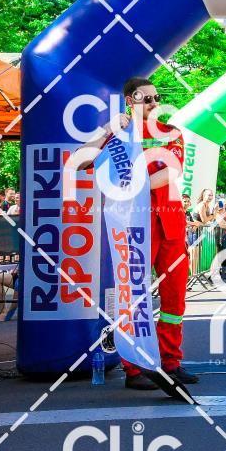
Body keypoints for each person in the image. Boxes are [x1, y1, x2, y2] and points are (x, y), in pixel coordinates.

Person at [76, 77, 198, 391]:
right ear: (130, 101)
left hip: (170, 224)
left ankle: (170, 363)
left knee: (174, 300)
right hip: (133, 228)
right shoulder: (118, 136)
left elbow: (172, 171)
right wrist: (107, 129)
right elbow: (80, 161)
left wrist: (134, 187)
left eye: (157, 98)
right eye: (147, 99)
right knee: (133, 297)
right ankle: (135, 367)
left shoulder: (171, 133)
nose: (155, 104)